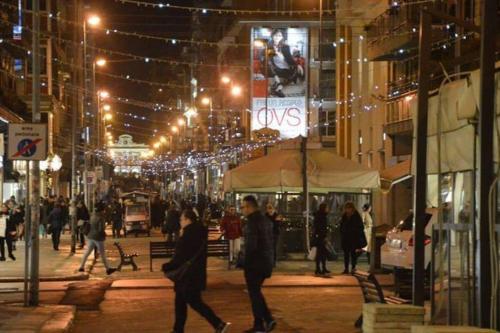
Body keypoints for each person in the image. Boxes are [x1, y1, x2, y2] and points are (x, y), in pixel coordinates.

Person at [162, 209, 230, 333]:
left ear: (188, 220)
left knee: (195, 303)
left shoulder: (188, 235)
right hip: (194, 274)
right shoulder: (199, 232)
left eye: (181, 219)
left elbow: (180, 257)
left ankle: (218, 324)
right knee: (180, 303)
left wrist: (167, 266)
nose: (180, 222)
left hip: (188, 277)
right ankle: (178, 329)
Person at [241, 195, 276, 333]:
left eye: (243, 207)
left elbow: (251, 246)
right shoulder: (265, 220)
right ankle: (263, 321)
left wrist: (244, 262)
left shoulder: (252, 222)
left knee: (254, 293)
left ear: (250, 207)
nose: (242, 209)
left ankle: (262, 323)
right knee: (256, 293)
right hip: (266, 261)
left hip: (255, 263)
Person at [78, 201, 116, 275]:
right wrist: (104, 232)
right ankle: (108, 269)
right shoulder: (101, 218)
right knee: (102, 254)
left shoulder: (93, 215)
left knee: (87, 252)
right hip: (98, 238)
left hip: (91, 236)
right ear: (101, 210)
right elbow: (101, 229)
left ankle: (81, 266)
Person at [340, 202, 367, 274]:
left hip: (354, 239)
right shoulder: (344, 216)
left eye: (348, 208)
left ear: (352, 208)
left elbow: (360, 227)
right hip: (346, 238)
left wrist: (354, 231)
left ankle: (353, 268)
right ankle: (346, 268)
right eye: (346, 208)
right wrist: (342, 232)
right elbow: (342, 225)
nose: (347, 210)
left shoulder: (356, 216)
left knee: (353, 254)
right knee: (346, 254)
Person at [313, 203, 330, 275]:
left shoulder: (319, 215)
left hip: (319, 236)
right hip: (321, 237)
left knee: (321, 253)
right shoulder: (322, 216)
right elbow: (321, 227)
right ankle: (320, 268)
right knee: (321, 253)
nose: (328, 209)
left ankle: (321, 268)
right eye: (327, 207)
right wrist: (324, 236)